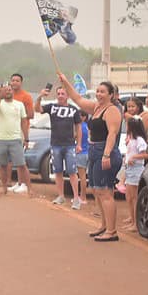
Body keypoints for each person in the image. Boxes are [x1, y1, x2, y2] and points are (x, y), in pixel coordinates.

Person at [59, 72, 123, 242]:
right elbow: (78, 99)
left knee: (105, 191)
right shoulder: (96, 107)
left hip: (106, 151)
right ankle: (104, 226)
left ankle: (112, 231)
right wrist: (65, 83)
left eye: (103, 92)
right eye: (98, 91)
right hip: (94, 151)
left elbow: (112, 134)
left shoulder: (112, 110)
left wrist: (107, 154)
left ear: (111, 94)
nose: (99, 94)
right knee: (96, 190)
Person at [35, 85, 83, 210]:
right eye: (59, 93)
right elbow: (38, 109)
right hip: (55, 144)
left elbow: (78, 127)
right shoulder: (52, 107)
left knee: (72, 172)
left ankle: (76, 198)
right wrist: (40, 96)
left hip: (69, 145)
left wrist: (79, 144)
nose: (61, 96)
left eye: (63, 94)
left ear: (67, 96)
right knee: (58, 171)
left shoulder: (74, 110)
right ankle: (61, 196)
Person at [0, 84, 29, 195]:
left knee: (21, 164)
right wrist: (0, 96)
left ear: (13, 91)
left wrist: (26, 138)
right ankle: (5, 186)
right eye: (5, 90)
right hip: (1, 139)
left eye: (9, 89)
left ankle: (28, 187)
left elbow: (24, 121)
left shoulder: (19, 104)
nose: (7, 91)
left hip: (15, 139)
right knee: (2, 165)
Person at [121, 117, 148, 233]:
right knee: (129, 197)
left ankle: (135, 223)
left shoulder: (139, 140)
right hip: (130, 168)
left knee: (133, 197)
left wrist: (133, 157)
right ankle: (132, 219)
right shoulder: (132, 140)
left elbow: (146, 155)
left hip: (136, 169)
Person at [76, 111, 90, 204]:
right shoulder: (88, 126)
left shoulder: (79, 127)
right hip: (88, 152)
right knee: (85, 177)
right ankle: (83, 197)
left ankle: (83, 197)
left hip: (81, 153)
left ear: (84, 117)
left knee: (82, 177)